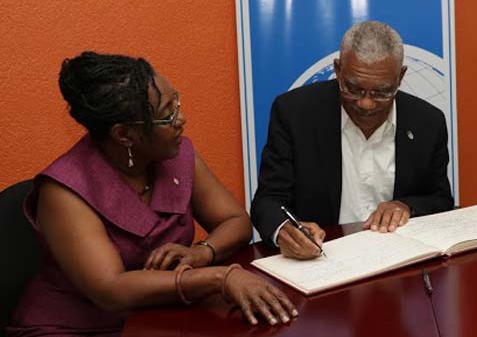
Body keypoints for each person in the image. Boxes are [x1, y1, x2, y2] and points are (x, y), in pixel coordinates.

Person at [7, 51, 296, 337]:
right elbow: (111, 290)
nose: (180, 118)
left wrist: (201, 252)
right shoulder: (64, 191)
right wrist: (220, 277)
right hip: (79, 327)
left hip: (161, 318)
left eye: (176, 103)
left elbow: (236, 221)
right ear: (124, 135)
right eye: (167, 115)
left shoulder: (176, 152)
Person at [251, 21, 454, 259]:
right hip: (322, 260)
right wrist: (285, 230)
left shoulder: (428, 122)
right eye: (353, 88)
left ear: (401, 77)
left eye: (382, 91)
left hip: (398, 261)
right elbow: (269, 200)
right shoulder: (294, 113)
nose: (366, 103)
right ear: (338, 70)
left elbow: (440, 199)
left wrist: (406, 206)